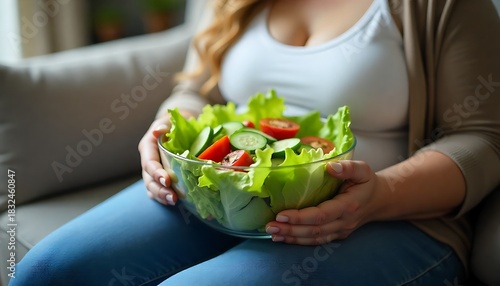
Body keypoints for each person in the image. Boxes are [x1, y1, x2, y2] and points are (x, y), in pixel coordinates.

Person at [11, 0, 500, 285]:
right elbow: (199, 89)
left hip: (392, 218)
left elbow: (483, 138)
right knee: (48, 272)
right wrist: (167, 129)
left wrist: (378, 198)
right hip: (217, 196)